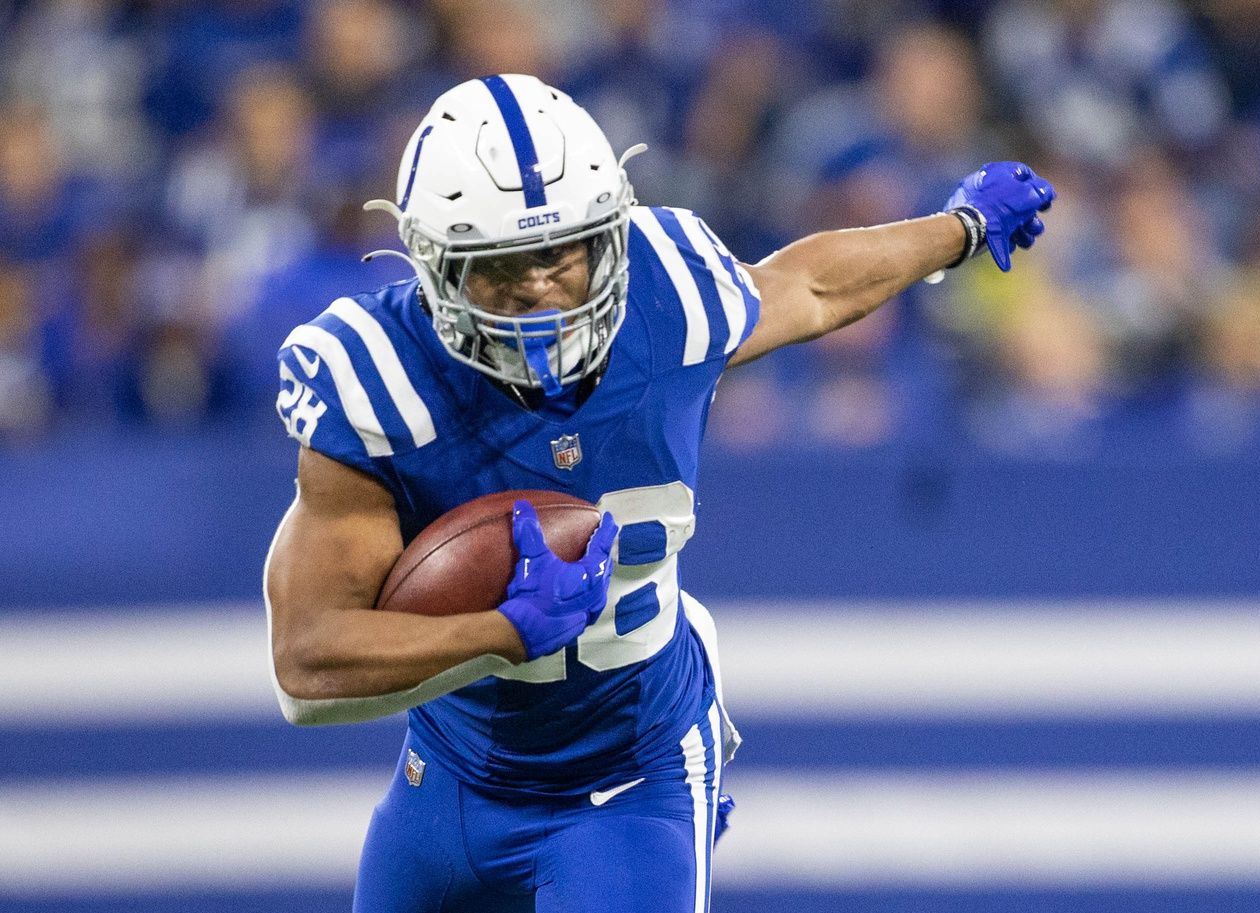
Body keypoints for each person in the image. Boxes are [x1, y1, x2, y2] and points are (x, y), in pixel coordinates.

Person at [264, 73, 1054, 913]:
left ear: (608, 234)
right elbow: (306, 663)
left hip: (629, 776)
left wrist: (958, 228)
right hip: (450, 777)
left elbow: (809, 286)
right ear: (433, 263)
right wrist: (497, 633)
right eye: (499, 265)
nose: (537, 287)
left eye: (560, 252)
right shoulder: (378, 379)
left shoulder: (668, 295)